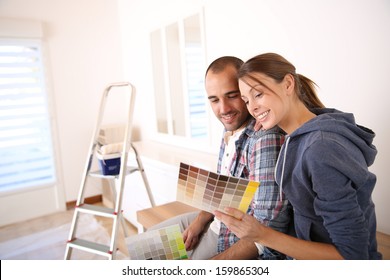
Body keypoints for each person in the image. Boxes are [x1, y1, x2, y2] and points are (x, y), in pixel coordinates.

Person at [214, 52, 382, 260]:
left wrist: (261, 234)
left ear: (288, 84)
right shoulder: (297, 135)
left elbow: (353, 257)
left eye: (258, 94)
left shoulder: (321, 149)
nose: (253, 108)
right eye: (247, 101)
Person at [149, 56, 291, 260]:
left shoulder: (264, 138)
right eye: (214, 100)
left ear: (245, 91)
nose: (223, 109)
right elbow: (225, 189)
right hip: (215, 221)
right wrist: (200, 221)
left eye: (232, 96)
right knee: (146, 250)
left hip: (230, 240)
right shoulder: (229, 129)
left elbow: (267, 231)